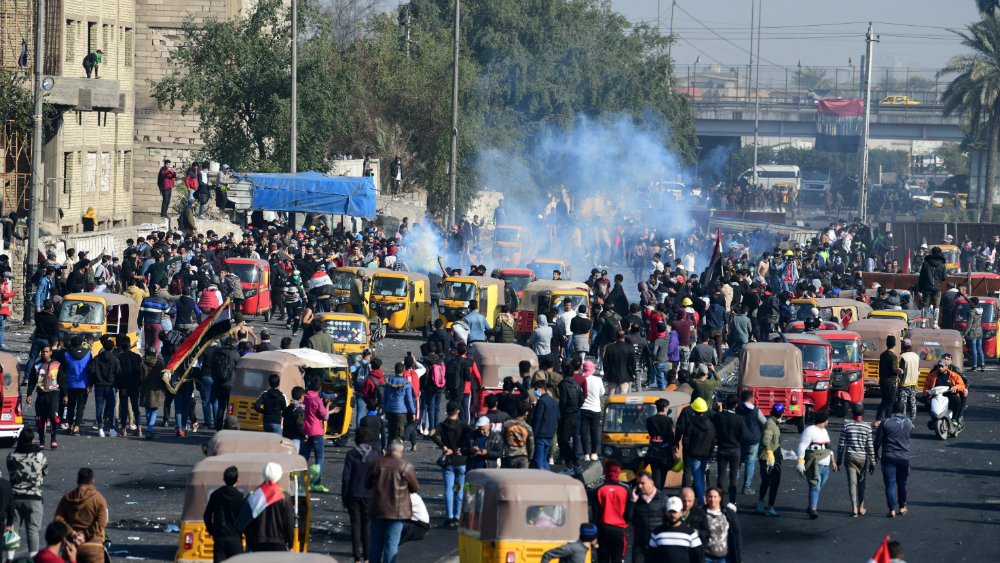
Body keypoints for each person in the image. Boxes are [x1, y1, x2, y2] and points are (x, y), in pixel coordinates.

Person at [365, 439, 419, 563]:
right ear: (400, 452)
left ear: (387, 450)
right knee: (391, 544)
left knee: (375, 543)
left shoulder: (376, 464)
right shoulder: (405, 466)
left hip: (377, 509)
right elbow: (414, 488)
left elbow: (367, 484)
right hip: (397, 511)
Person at [236, 462, 295, 552]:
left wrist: (250, 542)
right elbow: (289, 523)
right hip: (279, 544)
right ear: (279, 477)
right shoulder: (284, 497)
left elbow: (247, 522)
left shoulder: (254, 496)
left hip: (257, 543)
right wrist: (291, 544)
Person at [53, 468, 108, 563]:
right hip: (93, 547)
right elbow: (102, 522)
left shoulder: (67, 498)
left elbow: (58, 520)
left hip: (71, 547)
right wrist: (84, 535)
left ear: (77, 481)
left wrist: (73, 534)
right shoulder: (99, 499)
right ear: (92, 481)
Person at [430, 401, 471, 527]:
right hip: (462, 461)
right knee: (459, 490)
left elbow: (432, 434)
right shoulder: (463, 425)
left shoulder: (442, 426)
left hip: (448, 461)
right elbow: (473, 434)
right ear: (458, 411)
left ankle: (449, 517)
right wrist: (464, 447)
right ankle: (457, 517)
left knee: (448, 490)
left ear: (446, 412)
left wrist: (444, 447)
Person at [8, 428, 47, 557]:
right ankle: (33, 558)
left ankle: (9, 558)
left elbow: (11, 475)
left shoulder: (12, 456)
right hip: (34, 497)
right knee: (32, 531)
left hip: (15, 497)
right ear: (32, 441)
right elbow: (44, 472)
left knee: (13, 530)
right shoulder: (40, 456)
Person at [343, 426, 379, 563]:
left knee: (355, 525)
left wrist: (344, 497)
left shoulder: (351, 454)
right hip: (369, 494)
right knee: (366, 526)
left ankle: (356, 557)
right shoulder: (374, 455)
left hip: (353, 493)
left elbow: (346, 478)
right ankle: (367, 556)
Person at [796, 411, 837, 519]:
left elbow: (828, 448)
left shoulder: (824, 431)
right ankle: (813, 509)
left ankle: (811, 505)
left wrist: (833, 461)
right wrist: (800, 461)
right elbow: (802, 447)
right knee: (815, 486)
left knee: (818, 487)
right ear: (824, 420)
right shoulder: (809, 431)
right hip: (814, 466)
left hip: (825, 467)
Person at [836, 402, 875, 517]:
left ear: (852, 412)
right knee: (861, 482)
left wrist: (838, 460)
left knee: (852, 483)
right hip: (862, 458)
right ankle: (861, 507)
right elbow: (870, 446)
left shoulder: (847, 426)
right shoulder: (867, 427)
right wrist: (873, 462)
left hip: (850, 457)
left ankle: (854, 507)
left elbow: (841, 445)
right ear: (863, 413)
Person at [875, 402, 913, 518]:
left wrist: (875, 453)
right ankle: (902, 507)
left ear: (892, 410)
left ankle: (891, 510)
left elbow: (878, 440)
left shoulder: (885, 422)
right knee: (902, 483)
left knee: (890, 484)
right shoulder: (908, 423)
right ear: (904, 411)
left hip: (888, 457)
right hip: (904, 458)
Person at [591, 461, 633, 563]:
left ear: (606, 471)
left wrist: (594, 535)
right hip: (619, 530)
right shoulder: (625, 489)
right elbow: (628, 515)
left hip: (602, 530)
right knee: (617, 559)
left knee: (602, 559)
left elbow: (595, 515)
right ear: (619, 471)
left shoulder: (599, 489)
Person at [203, 466, 246, 562]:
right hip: (235, 539)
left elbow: (207, 515)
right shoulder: (240, 497)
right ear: (237, 480)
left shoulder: (215, 495)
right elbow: (244, 518)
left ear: (224, 479)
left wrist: (211, 531)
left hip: (220, 539)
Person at [26, 344, 64, 449]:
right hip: (41, 394)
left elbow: (61, 380)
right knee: (40, 419)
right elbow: (32, 381)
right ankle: (41, 441)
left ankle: (53, 439)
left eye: (47, 351)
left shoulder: (57, 364)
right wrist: (29, 394)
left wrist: (65, 395)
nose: (45, 353)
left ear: (51, 352)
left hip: (54, 393)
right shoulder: (37, 365)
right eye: (43, 352)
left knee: (53, 416)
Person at [648, 496, 705, 562]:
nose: (672, 514)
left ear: (681, 512)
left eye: (675, 511)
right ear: (666, 511)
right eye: (670, 511)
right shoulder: (657, 532)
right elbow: (651, 557)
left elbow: (699, 558)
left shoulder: (691, 534)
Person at [712, 395, 745, 505]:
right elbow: (743, 435)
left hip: (722, 448)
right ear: (736, 405)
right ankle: (732, 501)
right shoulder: (738, 418)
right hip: (735, 449)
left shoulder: (718, 416)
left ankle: (719, 501)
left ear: (725, 403)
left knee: (721, 476)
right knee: (733, 476)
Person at [682, 397, 715, 506]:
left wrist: (688, 451)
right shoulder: (710, 424)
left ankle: (701, 501)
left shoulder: (691, 423)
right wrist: (710, 452)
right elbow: (713, 440)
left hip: (694, 454)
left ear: (694, 410)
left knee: (697, 477)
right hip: (705, 454)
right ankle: (703, 499)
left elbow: (686, 440)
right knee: (701, 476)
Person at [629, 472, 667, 563]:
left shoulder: (662, 499)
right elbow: (628, 517)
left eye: (643, 483)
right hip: (639, 545)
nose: (640, 486)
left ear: (652, 483)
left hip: (657, 545)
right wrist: (633, 501)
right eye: (638, 483)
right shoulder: (636, 499)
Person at [301, 377, 330, 493]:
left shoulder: (304, 398)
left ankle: (302, 483)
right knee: (319, 458)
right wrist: (328, 408)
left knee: (304, 457)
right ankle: (317, 484)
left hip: (305, 430)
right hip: (317, 431)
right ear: (319, 388)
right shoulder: (317, 400)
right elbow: (324, 415)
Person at [734, 390, 765, 495]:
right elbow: (764, 423)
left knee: (737, 464)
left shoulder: (737, 410)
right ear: (751, 399)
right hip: (753, 441)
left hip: (739, 441)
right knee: (750, 464)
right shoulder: (756, 411)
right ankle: (746, 487)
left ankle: (734, 486)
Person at [756, 403, 783, 516]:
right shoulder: (770, 424)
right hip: (768, 459)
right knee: (768, 482)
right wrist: (770, 454)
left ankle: (767, 505)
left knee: (772, 483)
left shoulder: (773, 423)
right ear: (780, 414)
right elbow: (765, 440)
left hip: (774, 458)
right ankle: (763, 504)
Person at [924, 356, 968, 425]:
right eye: (939, 366)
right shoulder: (932, 376)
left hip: (949, 395)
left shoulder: (954, 375)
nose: (940, 368)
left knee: (957, 400)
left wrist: (956, 387)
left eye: (942, 366)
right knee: (927, 402)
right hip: (936, 395)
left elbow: (962, 385)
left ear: (946, 366)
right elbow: (926, 386)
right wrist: (927, 391)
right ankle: (933, 419)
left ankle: (954, 418)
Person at [90, 337, 120, 436]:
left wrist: (90, 384)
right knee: (111, 407)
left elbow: (92, 371)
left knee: (99, 407)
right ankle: (111, 428)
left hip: (99, 385)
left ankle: (100, 428)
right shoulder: (114, 359)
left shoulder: (97, 358)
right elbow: (118, 373)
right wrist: (117, 385)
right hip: (110, 385)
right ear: (112, 348)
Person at [702, 487, 741, 563]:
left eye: (715, 497)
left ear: (720, 498)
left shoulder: (728, 513)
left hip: (724, 558)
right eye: (710, 497)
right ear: (706, 498)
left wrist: (738, 555)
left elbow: (737, 533)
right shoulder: (701, 513)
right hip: (706, 557)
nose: (712, 499)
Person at [643, 398, 674, 489]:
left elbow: (650, 433)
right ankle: (659, 491)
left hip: (654, 451)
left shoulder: (650, 420)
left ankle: (656, 491)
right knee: (663, 475)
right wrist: (673, 453)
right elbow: (671, 437)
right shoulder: (669, 420)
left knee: (656, 474)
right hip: (665, 452)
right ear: (665, 408)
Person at [530, 379, 560, 470]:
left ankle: (540, 476)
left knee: (538, 458)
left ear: (542, 388)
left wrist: (534, 434)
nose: (535, 391)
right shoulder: (554, 401)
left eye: (536, 389)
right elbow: (558, 417)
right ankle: (547, 476)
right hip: (550, 434)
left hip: (541, 434)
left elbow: (537, 419)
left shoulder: (541, 401)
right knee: (544, 459)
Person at [384, 363, 417, 444]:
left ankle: (389, 450)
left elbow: (385, 398)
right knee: (398, 434)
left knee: (391, 433)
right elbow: (409, 400)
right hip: (401, 411)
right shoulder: (406, 383)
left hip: (390, 409)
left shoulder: (389, 382)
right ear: (403, 371)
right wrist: (413, 412)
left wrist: (385, 410)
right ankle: (396, 451)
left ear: (395, 370)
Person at [138, 347, 167, 439]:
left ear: (147, 354)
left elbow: (141, 378)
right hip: (157, 390)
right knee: (154, 410)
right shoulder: (160, 364)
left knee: (148, 410)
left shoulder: (143, 364)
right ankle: (150, 430)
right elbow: (163, 378)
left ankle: (150, 430)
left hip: (146, 389)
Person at [580, 360, 605, 461]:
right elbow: (602, 393)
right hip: (595, 408)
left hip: (583, 408)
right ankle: (594, 453)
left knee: (584, 431)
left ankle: (585, 454)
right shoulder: (598, 379)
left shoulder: (582, 379)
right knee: (594, 432)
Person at [876, 335, 901, 422]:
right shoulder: (893, 356)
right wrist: (900, 371)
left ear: (886, 344)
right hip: (890, 382)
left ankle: (878, 419)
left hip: (882, 381)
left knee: (883, 401)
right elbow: (894, 370)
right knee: (890, 402)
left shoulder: (882, 355)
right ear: (895, 344)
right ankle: (888, 420)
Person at [501, 402, 534, 468]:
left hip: (509, 456)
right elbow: (531, 444)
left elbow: (501, 440)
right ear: (527, 413)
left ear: (516, 410)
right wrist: (530, 457)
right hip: (523, 456)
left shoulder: (506, 424)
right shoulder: (528, 427)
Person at [602, 330, 636, 395]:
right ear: (625, 336)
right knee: (623, 395)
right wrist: (632, 372)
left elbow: (605, 362)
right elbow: (633, 363)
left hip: (611, 374)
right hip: (625, 375)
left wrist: (606, 372)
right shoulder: (630, 347)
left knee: (611, 396)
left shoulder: (609, 347)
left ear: (615, 337)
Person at [898, 341, 920, 422]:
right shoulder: (916, 356)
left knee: (903, 403)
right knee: (912, 402)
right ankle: (912, 420)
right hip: (914, 382)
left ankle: (903, 420)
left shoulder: (902, 356)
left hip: (904, 383)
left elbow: (901, 370)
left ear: (903, 346)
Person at [965, 296, 986, 372]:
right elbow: (972, 302)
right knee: (979, 348)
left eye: (970, 302)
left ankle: (974, 366)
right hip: (979, 331)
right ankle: (983, 365)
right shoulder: (980, 309)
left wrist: (965, 334)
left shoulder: (971, 313)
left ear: (973, 303)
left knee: (973, 349)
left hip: (973, 332)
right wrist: (965, 297)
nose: (969, 303)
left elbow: (969, 325)